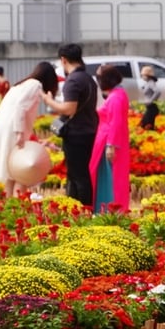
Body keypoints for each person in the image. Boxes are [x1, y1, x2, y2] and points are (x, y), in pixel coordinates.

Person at [0, 62, 57, 198]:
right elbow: (21, 108)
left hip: (3, 127)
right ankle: (18, 206)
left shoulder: (20, 85)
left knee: (12, 171)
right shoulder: (35, 85)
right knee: (21, 171)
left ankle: (10, 205)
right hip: (13, 130)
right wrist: (20, 133)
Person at [48, 44, 98, 207]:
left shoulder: (73, 80)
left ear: (63, 60)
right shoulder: (88, 78)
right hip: (88, 131)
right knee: (80, 174)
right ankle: (80, 209)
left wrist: (48, 100)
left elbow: (69, 109)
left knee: (77, 175)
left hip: (76, 134)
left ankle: (82, 210)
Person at [90, 64, 133, 213]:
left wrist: (111, 145)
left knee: (110, 180)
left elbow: (116, 122)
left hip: (109, 143)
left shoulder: (115, 97)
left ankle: (108, 210)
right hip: (107, 141)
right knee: (109, 178)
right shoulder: (118, 94)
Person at [137, 64, 164, 131]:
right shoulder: (147, 83)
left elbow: (157, 92)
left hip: (151, 107)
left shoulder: (151, 83)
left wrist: (151, 100)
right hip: (149, 107)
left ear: (148, 76)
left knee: (147, 124)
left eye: (143, 75)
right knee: (146, 123)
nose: (142, 77)